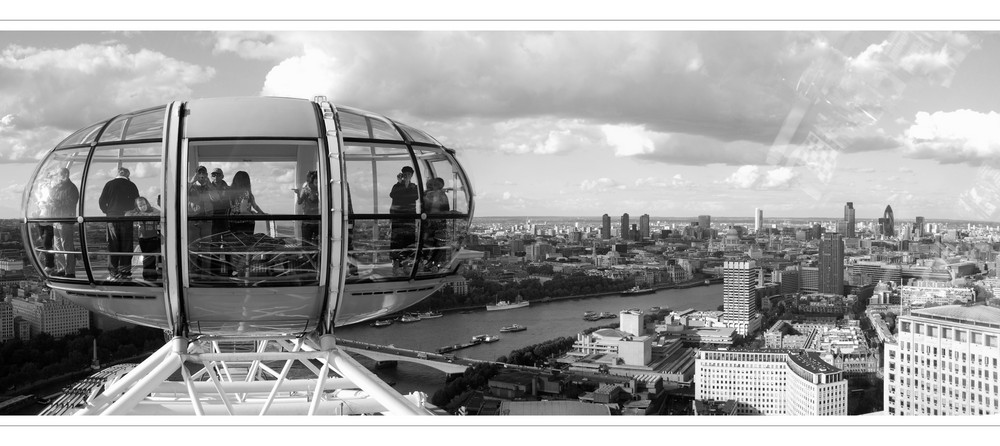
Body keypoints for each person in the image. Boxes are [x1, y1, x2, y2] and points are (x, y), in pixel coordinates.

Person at [99, 167, 139, 280]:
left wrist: (107, 212)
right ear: (127, 175)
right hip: (127, 218)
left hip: (112, 218)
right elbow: (136, 202)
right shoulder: (132, 185)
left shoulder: (109, 184)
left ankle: (113, 272)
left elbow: (102, 201)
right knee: (126, 245)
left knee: (113, 244)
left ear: (117, 173)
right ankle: (125, 272)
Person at [50, 168, 80, 278]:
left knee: (67, 246)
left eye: (59, 175)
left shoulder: (71, 188)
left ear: (65, 175)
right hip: (56, 219)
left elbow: (71, 202)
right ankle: (62, 269)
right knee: (58, 246)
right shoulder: (56, 188)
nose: (58, 177)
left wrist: (56, 203)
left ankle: (70, 271)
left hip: (66, 220)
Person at [389, 166, 418, 275]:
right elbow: (393, 195)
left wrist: (405, 184)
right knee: (397, 241)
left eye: (408, 174)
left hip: (409, 219)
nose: (406, 176)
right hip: (398, 218)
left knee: (408, 242)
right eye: (404, 174)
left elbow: (414, 197)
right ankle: (396, 265)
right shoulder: (396, 186)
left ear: (411, 175)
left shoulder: (413, 187)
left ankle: (406, 265)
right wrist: (400, 183)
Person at [125, 197, 160, 281]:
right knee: (146, 257)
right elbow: (127, 215)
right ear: (137, 207)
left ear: (147, 203)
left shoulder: (153, 211)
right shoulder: (138, 213)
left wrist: (145, 215)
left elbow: (159, 214)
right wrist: (138, 213)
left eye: (144, 204)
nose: (143, 207)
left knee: (150, 258)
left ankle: (151, 276)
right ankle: (148, 276)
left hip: (153, 237)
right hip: (142, 238)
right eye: (140, 206)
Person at [188, 166, 214, 274]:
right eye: (199, 173)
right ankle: (191, 273)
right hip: (193, 220)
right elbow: (180, 192)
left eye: (204, 174)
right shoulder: (190, 186)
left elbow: (216, 197)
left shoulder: (209, 186)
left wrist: (209, 185)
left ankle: (206, 273)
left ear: (207, 175)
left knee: (206, 248)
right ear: (196, 174)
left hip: (207, 220)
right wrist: (192, 181)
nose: (201, 176)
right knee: (192, 247)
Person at [421, 177, 450, 271]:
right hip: (430, 223)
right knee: (428, 243)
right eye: (436, 185)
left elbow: (446, 209)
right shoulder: (429, 194)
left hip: (437, 223)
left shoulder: (441, 195)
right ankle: (425, 262)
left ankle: (433, 263)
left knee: (439, 244)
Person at [228, 170, 265, 236]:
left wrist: (262, 212)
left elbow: (255, 206)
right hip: (246, 223)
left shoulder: (231, 192)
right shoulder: (246, 193)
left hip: (232, 222)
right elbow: (243, 211)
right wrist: (255, 215)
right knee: (246, 243)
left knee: (236, 243)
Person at [295, 170, 320, 245]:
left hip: (318, 221)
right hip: (308, 221)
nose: (317, 181)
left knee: (318, 244)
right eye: (316, 179)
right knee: (306, 243)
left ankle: (315, 257)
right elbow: (299, 202)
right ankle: (307, 256)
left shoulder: (320, 190)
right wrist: (298, 194)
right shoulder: (306, 189)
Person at [208, 167, 230, 238]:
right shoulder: (206, 189)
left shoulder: (229, 189)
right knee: (214, 242)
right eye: (213, 175)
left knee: (227, 242)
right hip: (212, 219)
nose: (216, 176)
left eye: (218, 174)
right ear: (211, 177)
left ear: (222, 176)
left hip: (226, 219)